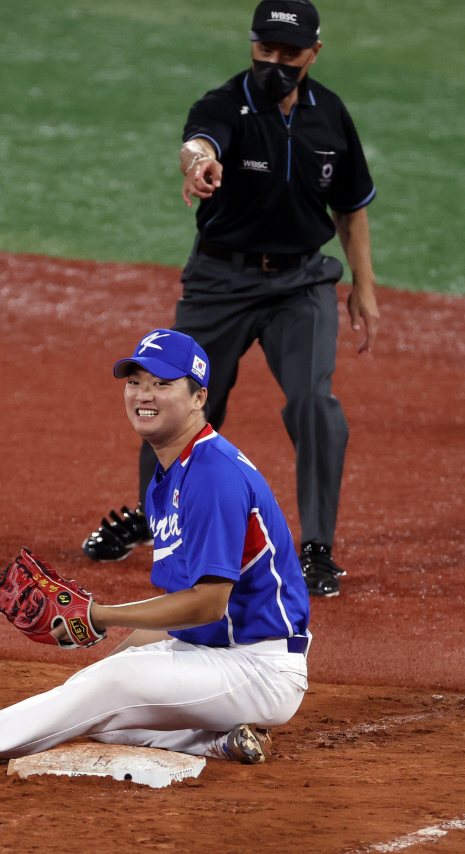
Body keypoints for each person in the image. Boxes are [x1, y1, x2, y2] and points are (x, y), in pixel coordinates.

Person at [0, 329, 311, 767]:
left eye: (162, 384)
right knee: (97, 699)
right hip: (209, 654)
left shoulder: (212, 476)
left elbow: (207, 605)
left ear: (198, 396)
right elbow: (177, 606)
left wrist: (101, 616)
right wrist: (98, 668)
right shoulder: (169, 477)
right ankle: (213, 742)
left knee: (114, 684)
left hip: (259, 667)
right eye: (135, 382)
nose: (143, 394)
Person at [82, 0, 380, 598]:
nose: (275, 62)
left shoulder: (331, 117)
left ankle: (317, 547)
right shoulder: (225, 105)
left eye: (289, 54)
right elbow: (198, 142)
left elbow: (350, 207)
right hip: (221, 281)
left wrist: (364, 286)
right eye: (265, 50)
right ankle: (157, 517)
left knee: (315, 405)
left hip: (301, 284)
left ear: (313, 54)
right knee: (177, 397)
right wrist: (200, 163)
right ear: (252, 46)